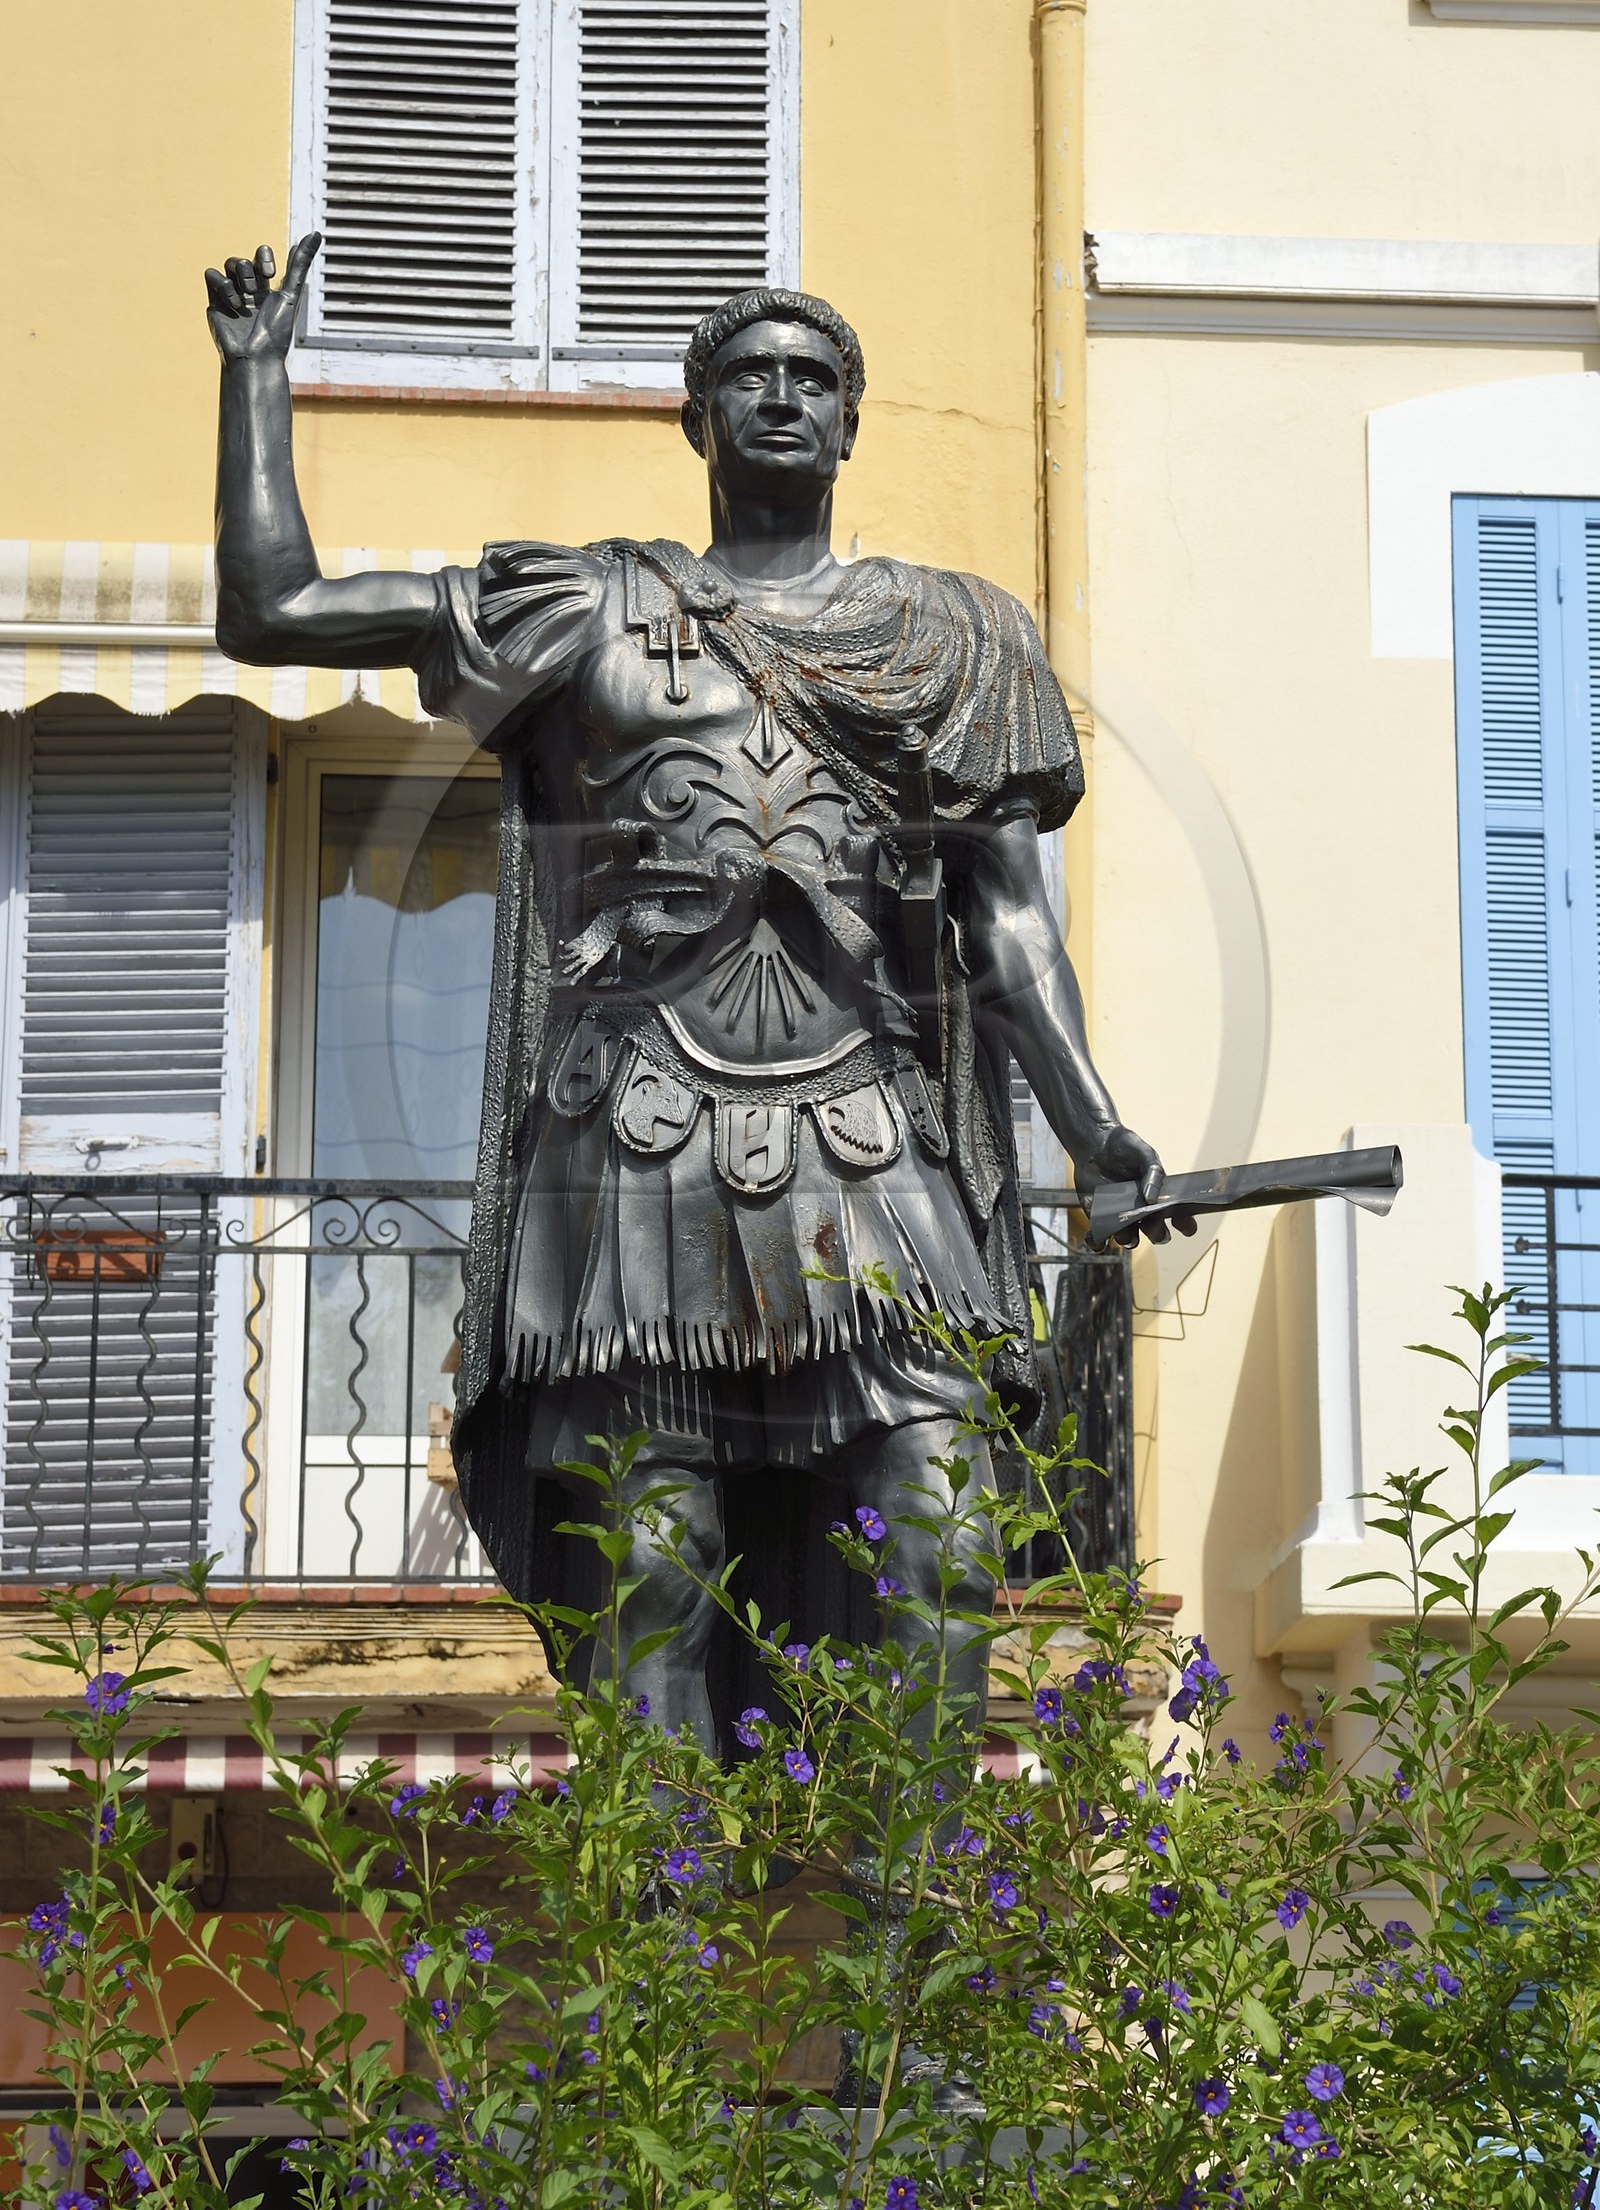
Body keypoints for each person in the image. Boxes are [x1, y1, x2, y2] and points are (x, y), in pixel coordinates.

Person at [206, 236, 1173, 1759]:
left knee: (938, 1532)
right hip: (637, 1137)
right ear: (696, 420)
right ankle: (661, 1947)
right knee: (651, 1567)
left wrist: (1096, 1127)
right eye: (749, 376)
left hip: (873, 1137)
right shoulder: (586, 610)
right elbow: (279, 609)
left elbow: (1005, 926)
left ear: (851, 424)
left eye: (813, 379)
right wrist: (257, 376)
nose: (782, 398)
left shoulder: (953, 639)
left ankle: (915, 1958)